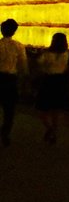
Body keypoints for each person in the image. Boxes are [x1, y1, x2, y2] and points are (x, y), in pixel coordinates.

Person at [34, 31, 69, 144]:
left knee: (42, 110)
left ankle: (50, 129)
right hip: (61, 82)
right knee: (56, 111)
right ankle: (53, 132)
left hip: (48, 81)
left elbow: (39, 65)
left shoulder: (47, 54)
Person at [0, 18, 27, 146]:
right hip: (10, 79)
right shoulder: (19, 46)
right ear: (14, 31)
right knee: (9, 109)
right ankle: (5, 133)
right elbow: (23, 65)